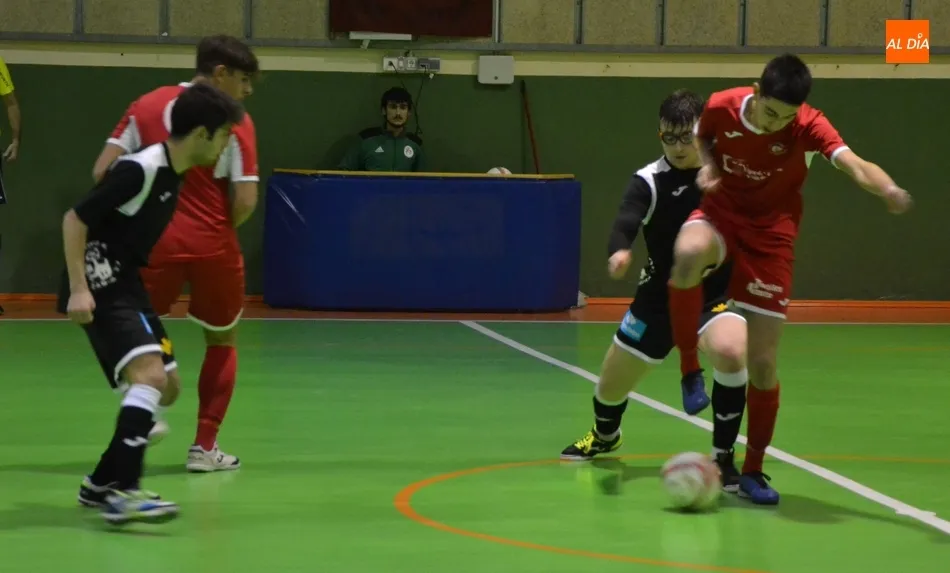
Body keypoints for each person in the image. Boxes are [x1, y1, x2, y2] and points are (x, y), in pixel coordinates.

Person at [667, 54, 913, 505]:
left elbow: (855, 164)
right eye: (770, 113)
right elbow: (703, 135)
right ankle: (689, 370)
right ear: (755, 93)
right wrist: (709, 164)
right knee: (686, 254)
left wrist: (888, 189)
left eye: (786, 117)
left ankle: (753, 471)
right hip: (723, 215)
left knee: (762, 365)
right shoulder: (723, 105)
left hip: (771, 236)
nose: (776, 124)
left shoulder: (808, 126)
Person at [61, 83, 244, 524]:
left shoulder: (174, 174)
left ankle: (100, 483)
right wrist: (79, 288)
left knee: (169, 385)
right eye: (224, 136)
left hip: (127, 284)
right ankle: (125, 492)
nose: (225, 147)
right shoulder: (141, 169)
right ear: (201, 134)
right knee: (149, 376)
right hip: (101, 282)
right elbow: (75, 219)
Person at [561, 89, 750, 492]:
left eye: (687, 137)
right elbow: (626, 220)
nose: (678, 147)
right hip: (657, 302)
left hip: (711, 298)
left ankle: (724, 458)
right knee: (609, 390)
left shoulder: (727, 174)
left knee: (732, 351)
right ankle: (606, 435)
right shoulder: (649, 180)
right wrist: (618, 252)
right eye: (669, 137)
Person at [91, 35, 260, 472]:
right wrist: (213, 231)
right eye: (243, 80)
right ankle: (204, 447)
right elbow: (245, 200)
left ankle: (142, 412)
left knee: (134, 329)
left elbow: (102, 171)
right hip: (214, 247)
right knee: (221, 340)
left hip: (150, 245)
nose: (247, 90)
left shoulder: (146, 104)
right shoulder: (236, 121)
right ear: (220, 73)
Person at [337, 86, 423, 172]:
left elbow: (423, 177)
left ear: (409, 113)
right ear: (384, 110)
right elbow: (343, 172)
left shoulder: (415, 144)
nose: (398, 113)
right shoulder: (365, 139)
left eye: (403, 107)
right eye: (393, 107)